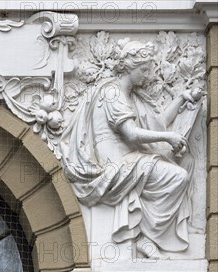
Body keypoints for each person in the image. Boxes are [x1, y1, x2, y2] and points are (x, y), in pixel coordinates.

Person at [61, 39, 201, 258]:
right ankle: (148, 235)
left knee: (187, 160)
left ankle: (159, 231)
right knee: (179, 176)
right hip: (117, 165)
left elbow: (159, 121)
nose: (148, 75)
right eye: (144, 70)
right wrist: (169, 137)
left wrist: (181, 99)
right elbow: (132, 134)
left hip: (131, 158)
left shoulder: (131, 96)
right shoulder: (113, 94)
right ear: (130, 67)